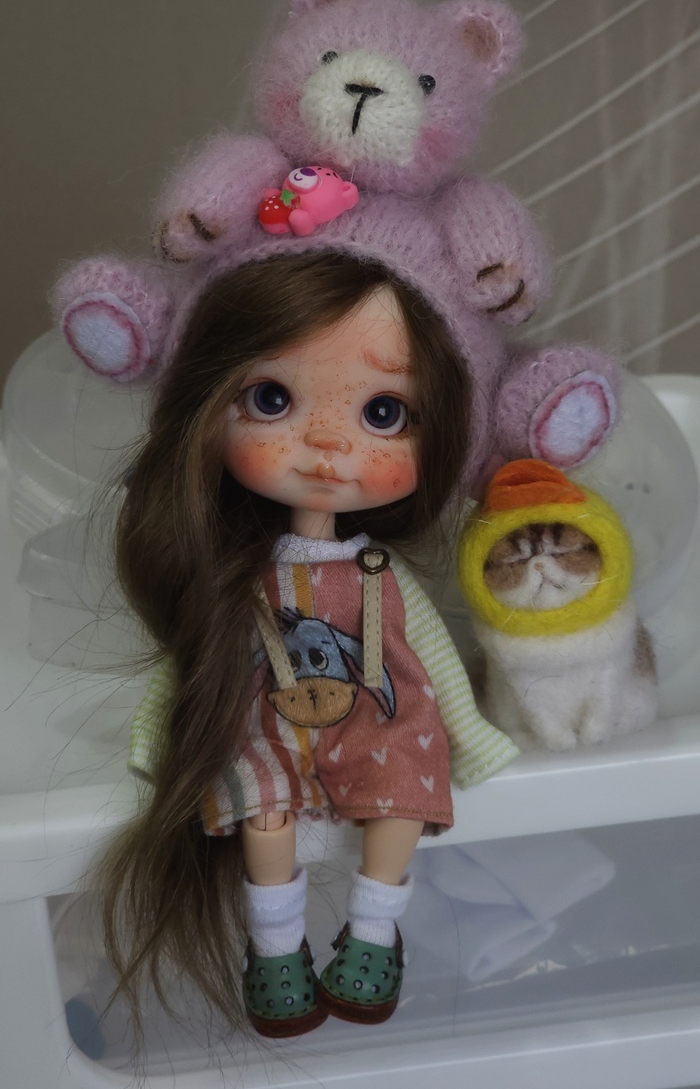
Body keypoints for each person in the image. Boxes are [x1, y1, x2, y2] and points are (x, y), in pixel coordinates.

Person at [104, 249, 518, 1041]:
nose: (326, 444)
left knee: (403, 792)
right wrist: (158, 734)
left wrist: (468, 732)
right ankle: (275, 949)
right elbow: (192, 661)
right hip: (268, 720)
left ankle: (373, 932)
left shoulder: (380, 570)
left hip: (377, 718)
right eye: (272, 398)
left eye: (383, 413)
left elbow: (428, 656)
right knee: (262, 811)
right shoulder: (242, 576)